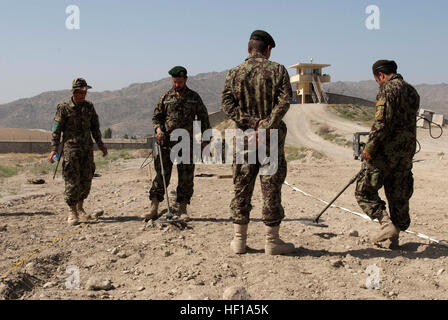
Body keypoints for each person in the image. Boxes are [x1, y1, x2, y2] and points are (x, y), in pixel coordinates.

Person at [222, 30, 295, 255]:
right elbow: (285, 101)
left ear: (248, 49)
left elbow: (227, 105)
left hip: (244, 139)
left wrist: (250, 123)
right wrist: (265, 126)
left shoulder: (234, 73)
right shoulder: (278, 70)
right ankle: (272, 242)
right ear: (268, 49)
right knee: (271, 188)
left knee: (241, 187)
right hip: (270, 139)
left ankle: (238, 241)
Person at [355, 60, 420, 249]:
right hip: (406, 151)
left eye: (377, 79)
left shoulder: (387, 89)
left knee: (363, 191)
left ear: (381, 75)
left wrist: (369, 148)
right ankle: (394, 237)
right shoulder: (412, 91)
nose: (378, 83)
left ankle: (386, 225)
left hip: (385, 152)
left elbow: (382, 123)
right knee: (397, 192)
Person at [144, 66, 211, 222]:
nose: (177, 85)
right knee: (161, 175)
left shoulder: (194, 98)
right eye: (175, 82)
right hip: (166, 143)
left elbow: (204, 119)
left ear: (186, 80)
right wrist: (158, 129)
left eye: (180, 82)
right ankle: (154, 206)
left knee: (186, 177)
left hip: (186, 144)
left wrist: (205, 141)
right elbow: (156, 118)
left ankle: (182, 208)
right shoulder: (166, 97)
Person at [49, 78, 108, 225]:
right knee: (71, 181)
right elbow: (56, 131)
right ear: (74, 92)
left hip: (87, 150)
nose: (83, 95)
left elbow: (95, 128)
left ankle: (80, 208)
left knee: (86, 179)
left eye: (85, 92)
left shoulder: (89, 107)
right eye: (81, 92)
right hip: (71, 150)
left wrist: (101, 145)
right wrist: (53, 150)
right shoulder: (63, 108)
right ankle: (72, 211)